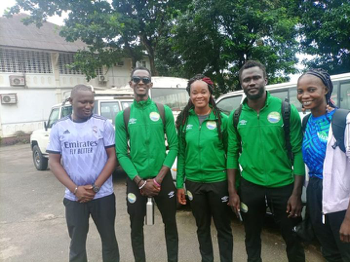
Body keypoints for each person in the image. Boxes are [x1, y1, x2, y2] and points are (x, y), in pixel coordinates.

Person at [227, 60, 305, 262]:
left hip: (283, 186)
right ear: (241, 84)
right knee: (251, 238)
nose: (251, 82)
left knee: (293, 238)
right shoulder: (236, 117)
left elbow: (297, 152)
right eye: (246, 79)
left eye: (256, 77)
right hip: (251, 186)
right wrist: (233, 191)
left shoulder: (286, 111)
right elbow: (232, 154)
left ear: (265, 80)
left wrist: (297, 193)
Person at [47, 85, 120, 262]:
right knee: (77, 244)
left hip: (102, 195)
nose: (88, 106)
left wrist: (95, 187)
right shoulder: (59, 127)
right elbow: (53, 162)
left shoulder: (103, 124)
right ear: (71, 101)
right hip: (75, 198)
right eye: (83, 102)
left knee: (109, 241)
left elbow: (113, 158)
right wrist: (75, 189)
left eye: (91, 102)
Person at [115, 67, 178, 262]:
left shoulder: (162, 110)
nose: (140, 82)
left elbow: (174, 146)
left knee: (170, 224)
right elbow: (121, 153)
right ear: (131, 84)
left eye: (145, 79)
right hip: (136, 181)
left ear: (150, 84)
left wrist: (158, 179)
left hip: (163, 178)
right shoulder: (123, 116)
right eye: (136, 79)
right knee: (136, 227)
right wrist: (140, 182)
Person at [176, 74, 233, 262]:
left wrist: (234, 187)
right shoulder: (185, 121)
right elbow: (182, 154)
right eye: (194, 92)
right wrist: (179, 184)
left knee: (223, 228)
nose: (199, 96)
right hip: (194, 184)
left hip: (218, 182)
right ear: (190, 95)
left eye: (203, 92)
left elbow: (231, 154)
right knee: (202, 228)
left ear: (210, 94)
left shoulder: (222, 120)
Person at [296, 68, 350, 261]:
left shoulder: (343, 120)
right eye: (300, 91)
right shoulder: (307, 121)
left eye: (311, 89)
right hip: (316, 194)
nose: (304, 95)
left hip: (341, 199)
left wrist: (348, 219)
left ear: (325, 89)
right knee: (328, 251)